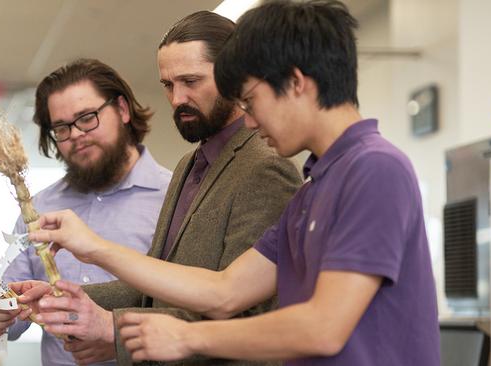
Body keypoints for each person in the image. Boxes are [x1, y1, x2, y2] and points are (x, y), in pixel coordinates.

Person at [25, 1, 441, 366]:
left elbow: (323, 327)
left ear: (295, 82)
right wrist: (93, 248)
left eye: (252, 99)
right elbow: (225, 291)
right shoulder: (313, 190)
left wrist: (187, 336)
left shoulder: (373, 168)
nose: (251, 119)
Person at [15, 10, 302, 366]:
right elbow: (156, 285)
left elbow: (248, 316)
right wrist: (65, 297)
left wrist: (112, 329)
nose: (178, 98)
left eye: (191, 81)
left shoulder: (265, 167)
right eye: (168, 85)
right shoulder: (189, 165)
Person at [0, 58, 172, 366]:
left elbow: (192, 308)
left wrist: (119, 339)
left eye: (88, 117)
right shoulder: (37, 209)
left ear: (122, 110)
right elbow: (14, 312)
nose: (76, 134)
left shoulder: (175, 198)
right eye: (62, 128)